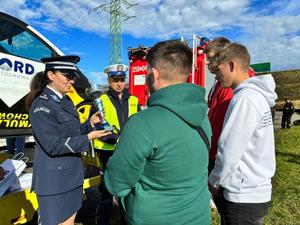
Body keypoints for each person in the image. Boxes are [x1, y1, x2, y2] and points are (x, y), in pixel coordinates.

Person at [104, 40, 212, 225]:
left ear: (153, 74)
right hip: (199, 216)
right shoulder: (203, 117)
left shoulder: (142, 123)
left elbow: (116, 183)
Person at [26, 55, 111, 225]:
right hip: (55, 183)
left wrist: (90, 124)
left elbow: (72, 133)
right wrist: (88, 137)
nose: (72, 81)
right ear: (51, 75)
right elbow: (53, 146)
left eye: (73, 77)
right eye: (67, 76)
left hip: (71, 178)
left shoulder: (65, 101)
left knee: (69, 221)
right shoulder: (42, 105)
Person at [209, 43, 277, 225]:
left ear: (232, 65)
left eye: (219, 69)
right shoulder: (256, 96)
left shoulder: (244, 99)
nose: (217, 75)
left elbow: (229, 149)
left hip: (243, 193)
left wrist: (214, 181)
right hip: (254, 190)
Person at [93, 64, 140, 225]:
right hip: (108, 151)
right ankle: (102, 221)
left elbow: (140, 123)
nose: (119, 83)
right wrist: (116, 138)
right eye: (115, 80)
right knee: (106, 190)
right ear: (109, 80)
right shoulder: (101, 101)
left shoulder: (133, 100)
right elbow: (98, 125)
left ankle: (125, 220)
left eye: (122, 79)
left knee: (126, 188)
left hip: (127, 151)